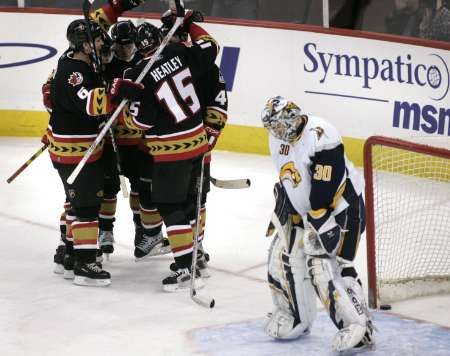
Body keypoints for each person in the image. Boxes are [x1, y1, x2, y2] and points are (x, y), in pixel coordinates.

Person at [261, 97, 374, 351]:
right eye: (273, 128)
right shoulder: (277, 139)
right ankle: (296, 317)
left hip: (342, 209)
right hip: (309, 212)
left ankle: (358, 326)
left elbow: (325, 189)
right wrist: (288, 208)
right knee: (282, 255)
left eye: (279, 126)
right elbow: (289, 177)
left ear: (292, 117)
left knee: (327, 267)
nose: (276, 133)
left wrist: (320, 223)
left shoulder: (322, 135)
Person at [119, 11, 219, 291]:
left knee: (170, 207)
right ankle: (192, 259)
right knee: (188, 205)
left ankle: (186, 267)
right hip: (198, 146)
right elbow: (212, 46)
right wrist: (190, 24)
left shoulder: (139, 74)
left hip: (170, 151)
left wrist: (126, 99)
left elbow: (141, 122)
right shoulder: (179, 51)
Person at [46, 17, 143, 287]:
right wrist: (118, 90)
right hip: (77, 151)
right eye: (98, 39)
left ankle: (68, 254)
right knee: (86, 207)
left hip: (78, 148)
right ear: (85, 45)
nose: (103, 43)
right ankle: (84, 264)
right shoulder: (74, 72)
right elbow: (91, 103)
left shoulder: (78, 62)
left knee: (76, 203)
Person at [159, 8, 229, 277]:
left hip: (188, 148)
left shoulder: (199, 63)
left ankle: (195, 248)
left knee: (193, 202)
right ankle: (190, 248)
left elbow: (218, 107)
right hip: (181, 147)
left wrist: (207, 140)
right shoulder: (192, 58)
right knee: (184, 202)